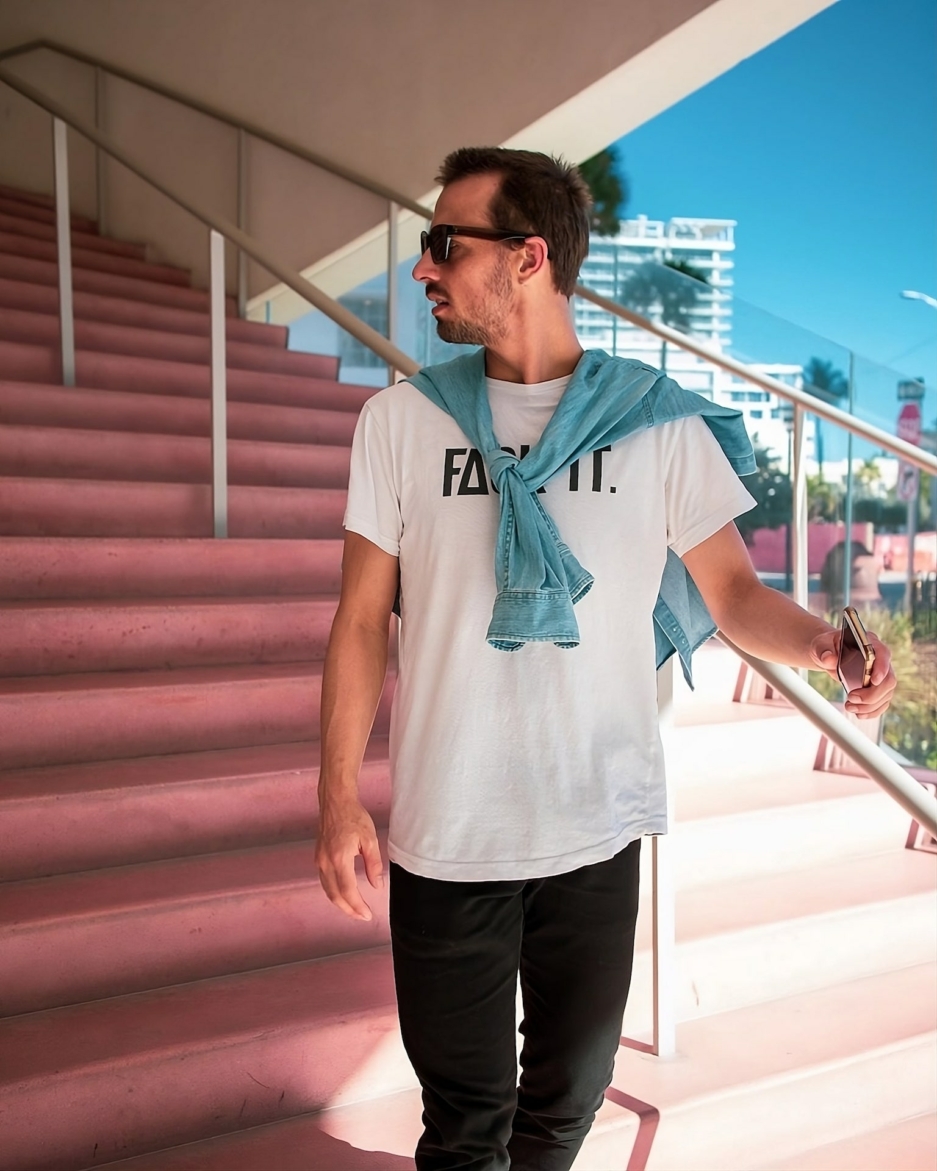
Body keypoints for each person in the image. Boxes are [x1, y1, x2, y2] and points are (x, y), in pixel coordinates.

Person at [315, 147, 897, 1171]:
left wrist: (820, 644)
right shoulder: (398, 424)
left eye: (445, 243)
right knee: (461, 1130)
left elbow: (728, 593)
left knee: (560, 1118)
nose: (423, 269)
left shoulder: (653, 425)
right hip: (448, 837)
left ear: (527, 257)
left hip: (597, 827)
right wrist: (335, 794)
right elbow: (363, 620)